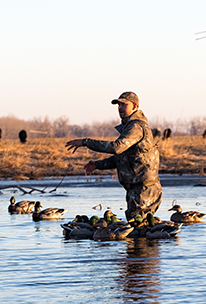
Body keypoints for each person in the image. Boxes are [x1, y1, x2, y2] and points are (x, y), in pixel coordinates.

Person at [66, 91, 161, 220]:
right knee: (138, 230)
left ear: (134, 105)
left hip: (144, 189)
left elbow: (117, 147)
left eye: (123, 104)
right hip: (138, 188)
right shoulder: (129, 127)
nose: (119, 108)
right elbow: (124, 158)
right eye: (118, 105)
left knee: (140, 230)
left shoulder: (136, 127)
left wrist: (86, 142)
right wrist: (97, 165)